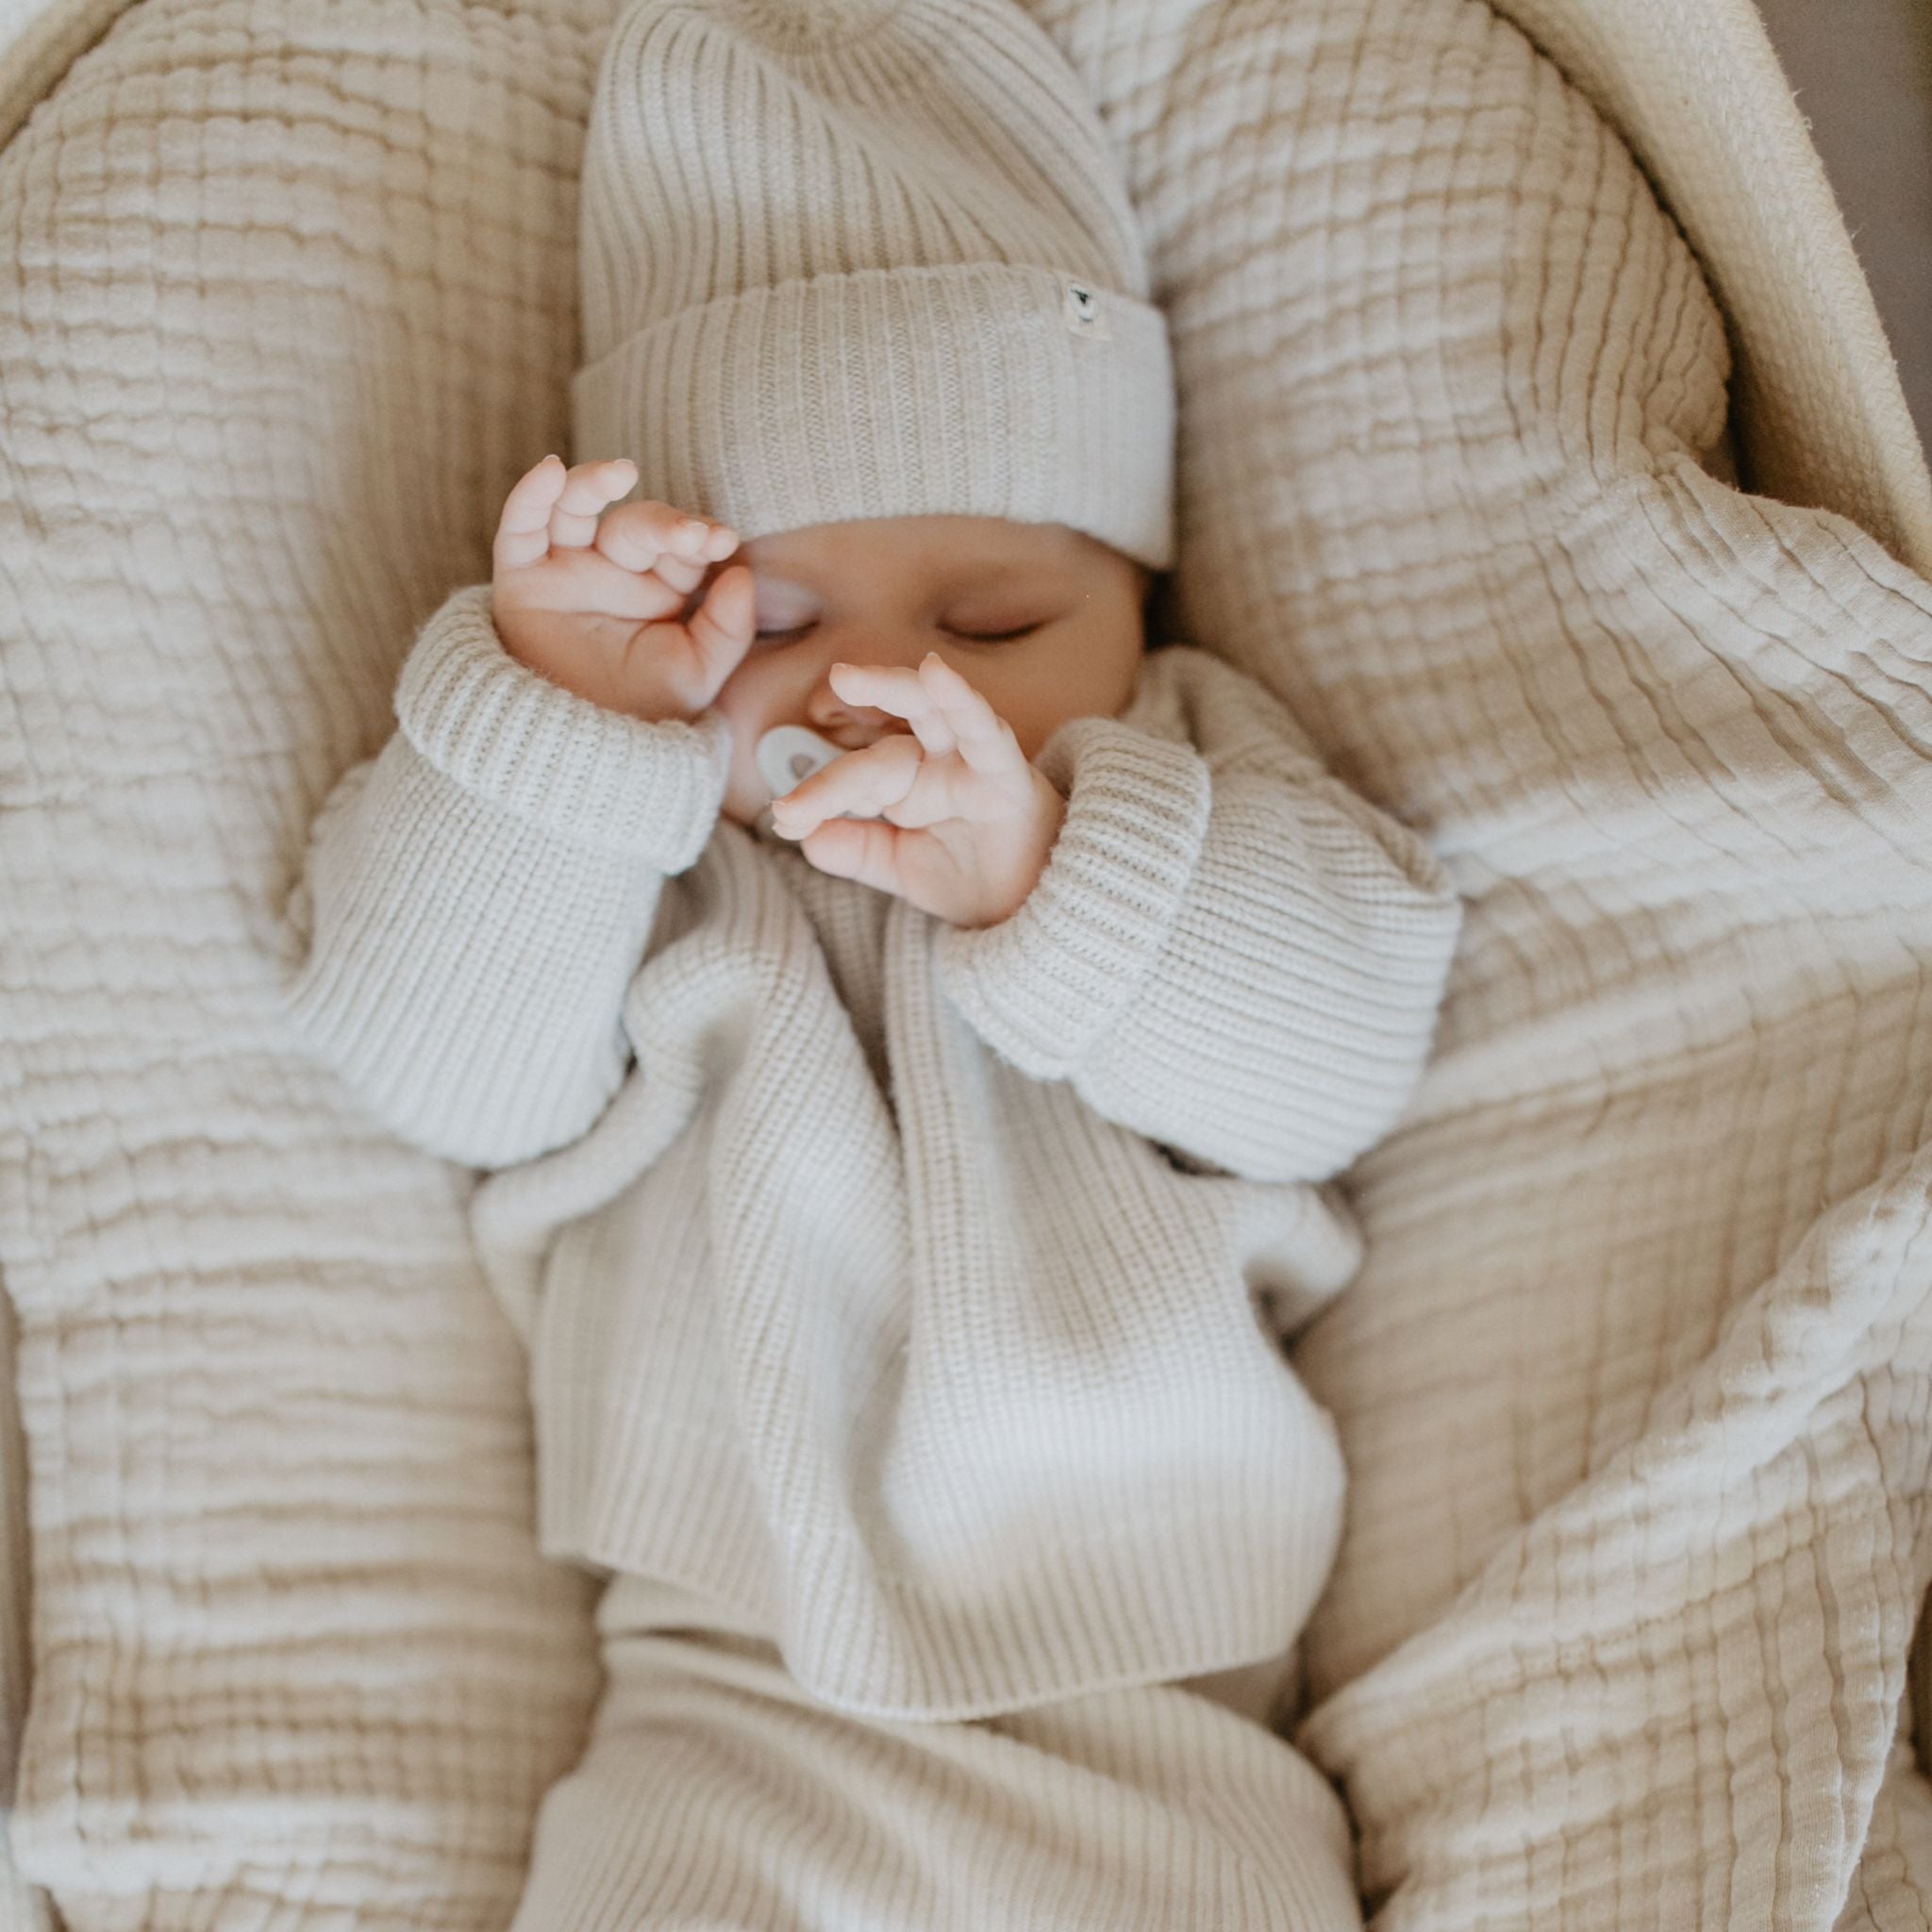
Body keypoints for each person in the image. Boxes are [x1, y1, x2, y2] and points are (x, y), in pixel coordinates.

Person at [279, 0, 1464, 1921]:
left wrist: (1057, 872)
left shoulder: (1172, 774)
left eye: (1000, 617)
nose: (873, 684)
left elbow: (1339, 1059)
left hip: (1161, 1719)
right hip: (724, 1710)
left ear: (1137, 597)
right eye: (785, 612)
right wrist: (563, 733)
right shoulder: (634, 838)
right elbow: (435, 1072)